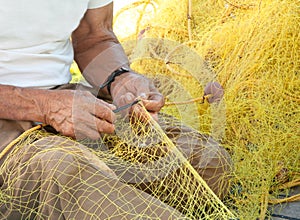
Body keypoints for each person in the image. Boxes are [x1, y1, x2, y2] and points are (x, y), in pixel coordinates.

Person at [0, 0, 232, 219]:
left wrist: (119, 79)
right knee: (68, 170)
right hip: (6, 112)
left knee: (208, 165)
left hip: (68, 95)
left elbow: (95, 36)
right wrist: (45, 105)